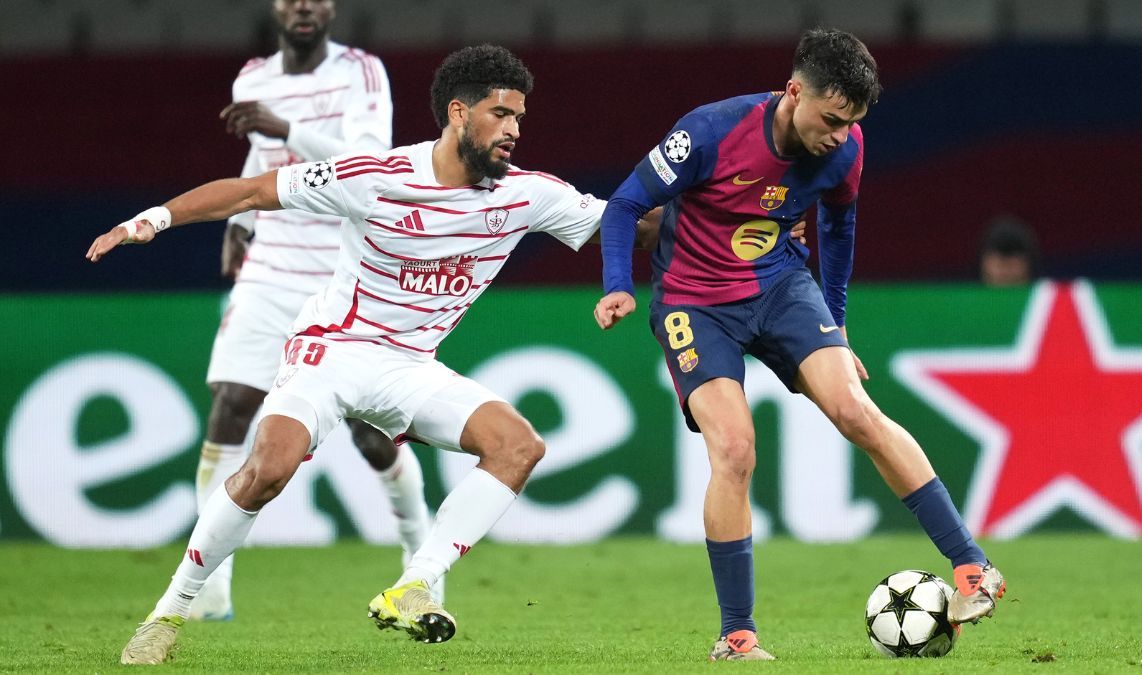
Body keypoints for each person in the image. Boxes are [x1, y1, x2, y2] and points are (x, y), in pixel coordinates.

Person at [89, 44, 667, 666]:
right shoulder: (377, 176)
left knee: (518, 445)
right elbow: (253, 191)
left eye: (520, 119)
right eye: (501, 115)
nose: (514, 131)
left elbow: (632, 226)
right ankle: (168, 614)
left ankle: (415, 584)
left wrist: (742, 214)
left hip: (409, 367)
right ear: (457, 113)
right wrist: (151, 219)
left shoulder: (530, 195)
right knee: (270, 468)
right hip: (332, 350)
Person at [593, 28, 1006, 661]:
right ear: (794, 92)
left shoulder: (846, 150)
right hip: (694, 302)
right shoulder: (710, 131)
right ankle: (737, 635)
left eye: (853, 123)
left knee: (857, 411)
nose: (840, 135)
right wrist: (618, 285)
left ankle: (973, 568)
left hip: (782, 287)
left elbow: (839, 227)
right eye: (833, 118)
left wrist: (835, 327)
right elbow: (624, 205)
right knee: (733, 449)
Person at [190, 0, 440, 620]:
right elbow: (260, 159)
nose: (303, 5)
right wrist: (243, 219)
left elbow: (372, 161)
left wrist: (288, 130)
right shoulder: (253, 77)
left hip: (344, 273)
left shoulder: (363, 71)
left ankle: (421, 561)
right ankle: (210, 592)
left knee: (370, 433)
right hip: (272, 270)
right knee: (231, 407)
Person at [978, 216, 1040, 286]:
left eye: (1012, 265)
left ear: (1028, 265)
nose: (1006, 273)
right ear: (984, 264)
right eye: (1000, 265)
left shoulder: (1045, 295)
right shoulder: (968, 295)